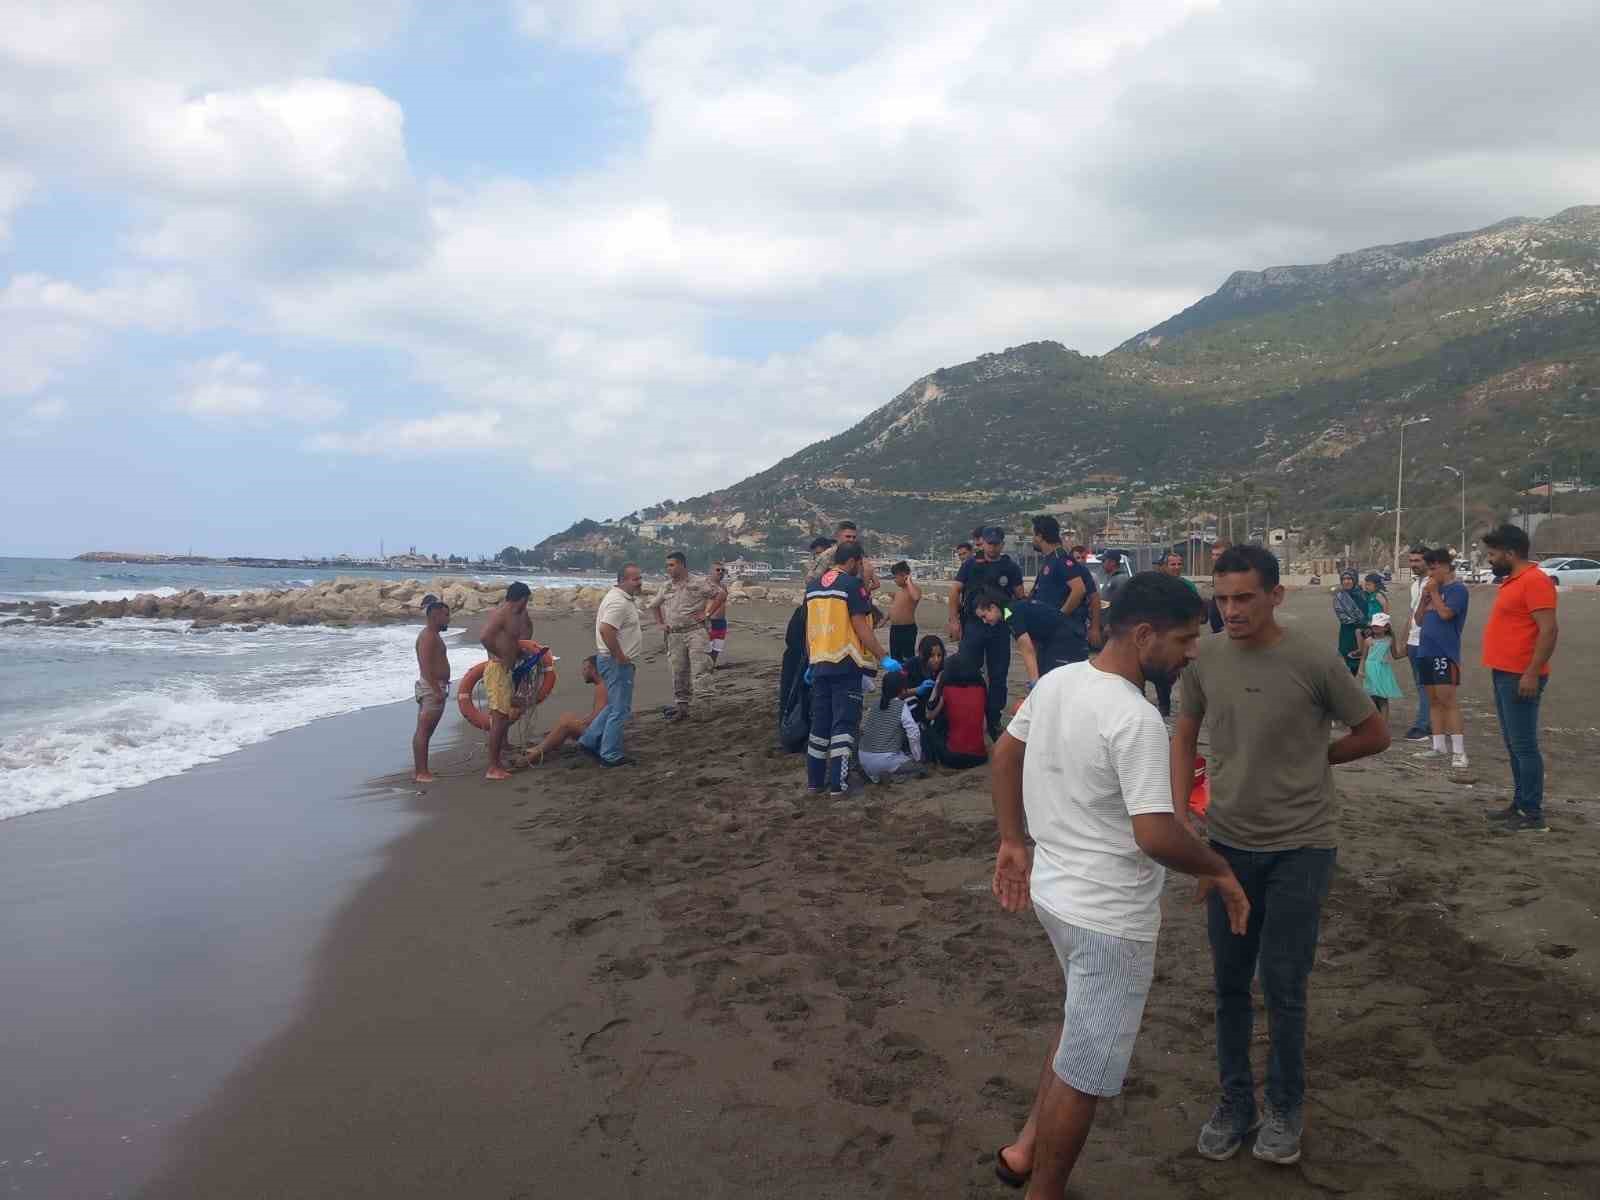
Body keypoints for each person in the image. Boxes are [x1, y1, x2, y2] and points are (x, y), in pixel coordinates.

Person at [989, 572, 1250, 1196]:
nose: (1191, 653)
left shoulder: (1058, 680)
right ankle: (1044, 1191)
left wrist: (1012, 841)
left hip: (1056, 894)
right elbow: (1156, 834)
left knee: (1078, 1025)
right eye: (1185, 640)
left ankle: (1025, 1150)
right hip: (1108, 917)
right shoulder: (1134, 719)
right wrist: (1218, 868)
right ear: (1143, 635)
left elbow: (1004, 754)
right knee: (1087, 1072)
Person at [1172, 545, 1389, 1167]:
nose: (1232, 610)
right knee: (1230, 984)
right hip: (1228, 847)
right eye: (1222, 599)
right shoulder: (1205, 656)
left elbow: (1374, 732)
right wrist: (1180, 809)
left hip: (1302, 846)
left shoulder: (1313, 658)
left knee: (1286, 984)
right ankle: (1235, 1102)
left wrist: (1319, 759)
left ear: (1276, 595)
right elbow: (1185, 730)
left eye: (1244, 597)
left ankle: (1286, 1107)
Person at [1481, 524, 1559, 833]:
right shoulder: (1515, 580)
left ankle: (1532, 812)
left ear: (1510, 553)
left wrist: (1531, 672)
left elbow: (1549, 630)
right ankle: (1520, 803)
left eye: (1492, 554)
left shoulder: (1535, 581)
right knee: (1514, 744)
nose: (1489, 560)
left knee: (1524, 745)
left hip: (1520, 675)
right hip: (1504, 672)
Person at [804, 542, 885, 796]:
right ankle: (839, 786)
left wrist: (810, 661)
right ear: (853, 562)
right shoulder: (851, 586)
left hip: (819, 663)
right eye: (861, 563)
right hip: (845, 664)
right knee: (844, 724)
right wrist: (883, 657)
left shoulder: (813, 586)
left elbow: (810, 629)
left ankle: (815, 783)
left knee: (820, 727)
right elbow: (861, 627)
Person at [948, 526, 1026, 740]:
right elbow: (954, 590)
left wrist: (1013, 620)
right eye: (989, 543)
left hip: (999, 628)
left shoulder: (1010, 567)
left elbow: (1018, 598)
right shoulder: (970, 565)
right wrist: (954, 620)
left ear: (1002, 544)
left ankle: (993, 719)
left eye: (996, 543)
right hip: (973, 625)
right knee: (967, 670)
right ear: (982, 542)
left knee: (999, 675)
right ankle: (968, 715)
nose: (992, 547)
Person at [579, 564, 643, 767]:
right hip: (615, 662)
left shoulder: (621, 599)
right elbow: (607, 630)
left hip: (611, 660)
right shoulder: (618, 602)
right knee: (620, 710)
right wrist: (620, 656)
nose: (639, 582)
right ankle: (610, 754)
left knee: (613, 706)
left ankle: (589, 741)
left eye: (640, 578)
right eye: (635, 579)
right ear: (622, 580)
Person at [649, 551, 725, 721]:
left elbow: (720, 594)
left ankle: (706, 708)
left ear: (682, 565)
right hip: (674, 635)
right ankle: (682, 708)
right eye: (667, 565)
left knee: (701, 670)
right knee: (679, 672)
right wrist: (660, 624)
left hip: (695, 631)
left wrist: (707, 613)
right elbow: (654, 605)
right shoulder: (666, 586)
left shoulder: (698, 582)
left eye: (672, 565)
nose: (668, 569)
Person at [1415, 547, 1470, 770]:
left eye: (1433, 568)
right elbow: (1418, 620)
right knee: (1433, 700)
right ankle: (1438, 745)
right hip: (1425, 650)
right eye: (1429, 569)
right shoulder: (1430, 589)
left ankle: (1459, 751)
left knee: (1448, 700)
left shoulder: (1457, 590)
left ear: (1445, 566)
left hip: (1445, 652)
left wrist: (1435, 594)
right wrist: (1424, 598)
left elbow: (1447, 614)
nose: (1430, 573)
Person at [478, 582, 533, 781]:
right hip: (497, 669)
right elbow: (484, 637)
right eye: (526, 601)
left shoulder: (518, 614)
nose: (526, 605)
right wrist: (500, 654)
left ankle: (501, 751)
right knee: (499, 718)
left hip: (507, 670)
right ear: (521, 599)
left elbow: (525, 630)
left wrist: (521, 649)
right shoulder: (502, 614)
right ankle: (493, 767)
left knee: (505, 714)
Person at [972, 590, 1079, 686]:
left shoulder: (1010, 614)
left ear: (993, 607)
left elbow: (1027, 650)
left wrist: (1035, 684)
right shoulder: (1012, 608)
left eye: (984, 616)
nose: (984, 622)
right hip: (1061, 636)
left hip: (1067, 640)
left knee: (1055, 682)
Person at [1030, 515, 1098, 660]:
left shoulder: (1061, 561)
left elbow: (1079, 590)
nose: (1032, 539)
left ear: (1040, 536)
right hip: (1050, 637)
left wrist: (1058, 617)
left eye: (1033, 535)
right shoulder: (1050, 562)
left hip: (1064, 638)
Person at [528, 656, 607, 764]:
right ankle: (546, 746)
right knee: (568, 717)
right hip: (601, 732)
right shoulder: (603, 684)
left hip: (602, 738)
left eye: (584, 669)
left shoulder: (602, 687)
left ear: (593, 670)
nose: (582, 673)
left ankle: (536, 753)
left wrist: (583, 722)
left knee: (567, 723)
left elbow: (600, 717)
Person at [1149, 553, 1199, 716]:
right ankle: (1164, 708)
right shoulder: (1156, 587)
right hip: (1163, 634)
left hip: (1184, 635)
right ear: (1164, 566)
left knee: (1186, 672)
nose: (1176, 567)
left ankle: (1192, 707)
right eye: (1173, 564)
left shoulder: (1188, 586)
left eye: (1179, 564)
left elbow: (1196, 611)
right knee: (1163, 673)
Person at [858, 671, 926, 783]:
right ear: (902, 690)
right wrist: (917, 757)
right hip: (885, 760)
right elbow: (913, 732)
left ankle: (877, 776)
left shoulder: (875, 704)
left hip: (864, 758)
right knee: (921, 768)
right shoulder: (901, 706)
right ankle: (894, 776)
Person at [411, 595, 451, 783]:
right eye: (446, 615)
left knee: (426, 730)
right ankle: (421, 773)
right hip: (431, 688)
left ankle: (422, 771)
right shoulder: (428, 636)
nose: (448, 619)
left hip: (434, 686)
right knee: (424, 730)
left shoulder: (433, 635)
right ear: (435, 616)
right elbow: (426, 666)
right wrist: (436, 690)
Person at [925, 651, 988, 768]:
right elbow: (984, 726)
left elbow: (929, 715)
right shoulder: (981, 689)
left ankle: (931, 762)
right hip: (980, 757)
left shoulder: (947, 689)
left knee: (928, 730)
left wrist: (938, 683)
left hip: (953, 757)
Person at [1401, 546, 1434, 741]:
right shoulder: (1415, 585)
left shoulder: (1433, 583)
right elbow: (1411, 614)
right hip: (1413, 640)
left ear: (1427, 562)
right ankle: (1427, 723)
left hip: (1427, 640)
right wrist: (1404, 640)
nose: (1413, 564)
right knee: (1420, 684)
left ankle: (1423, 726)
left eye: (1417, 561)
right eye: (1411, 561)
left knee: (1426, 685)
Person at [1357, 612, 1404, 717]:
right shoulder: (1368, 641)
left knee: (1383, 698)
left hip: (1383, 671)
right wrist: (1361, 670)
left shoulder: (1390, 640)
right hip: (1370, 671)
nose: (1375, 628)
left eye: (1378, 626)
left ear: (1386, 627)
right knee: (1371, 698)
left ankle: (1384, 725)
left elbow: (1395, 655)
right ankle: (1374, 724)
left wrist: (1407, 652)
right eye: (1374, 626)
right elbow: (1363, 657)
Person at [1333, 570, 1367, 674]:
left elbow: (1368, 613)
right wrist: (1359, 619)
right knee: (1345, 659)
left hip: (1361, 634)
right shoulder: (1339, 597)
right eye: (1344, 579)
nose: (1346, 581)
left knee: (1359, 662)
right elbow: (1342, 616)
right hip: (1346, 632)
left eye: (1349, 579)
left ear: (1355, 580)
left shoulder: (1362, 595)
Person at [887, 561, 921, 661]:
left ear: (904, 576)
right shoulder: (898, 592)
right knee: (895, 657)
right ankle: (897, 675)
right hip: (895, 629)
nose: (894, 580)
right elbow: (894, 608)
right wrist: (884, 620)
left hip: (907, 629)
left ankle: (909, 675)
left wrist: (909, 581)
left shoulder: (915, 589)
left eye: (896, 577)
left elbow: (915, 597)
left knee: (907, 658)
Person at [834, 520, 880, 592]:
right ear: (838, 537)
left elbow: (876, 584)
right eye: (848, 536)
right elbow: (813, 579)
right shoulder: (829, 555)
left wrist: (862, 592)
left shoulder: (861, 557)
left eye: (854, 537)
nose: (851, 540)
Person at [1095, 550, 1130, 636]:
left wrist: (1111, 623)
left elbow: (1122, 603)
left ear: (1113, 562)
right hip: (1104, 626)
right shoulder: (1110, 578)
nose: (1102, 564)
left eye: (1104, 561)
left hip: (1112, 627)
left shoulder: (1121, 579)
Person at [705, 563, 730, 668]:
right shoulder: (705, 586)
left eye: (722, 570)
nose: (720, 572)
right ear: (711, 572)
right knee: (707, 650)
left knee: (717, 649)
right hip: (710, 621)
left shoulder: (723, 586)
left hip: (721, 622)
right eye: (718, 570)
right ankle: (703, 670)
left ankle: (711, 668)